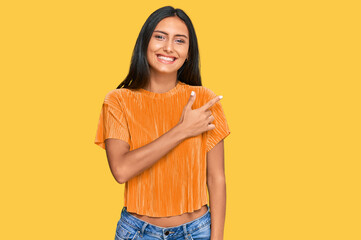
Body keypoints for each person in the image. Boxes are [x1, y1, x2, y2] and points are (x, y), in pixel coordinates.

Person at [94, 6, 231, 240]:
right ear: (144, 43)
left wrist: (217, 238)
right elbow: (122, 170)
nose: (168, 47)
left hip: (196, 231)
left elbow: (216, 177)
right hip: (137, 232)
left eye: (180, 40)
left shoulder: (204, 100)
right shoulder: (118, 101)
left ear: (189, 53)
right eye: (160, 37)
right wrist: (182, 130)